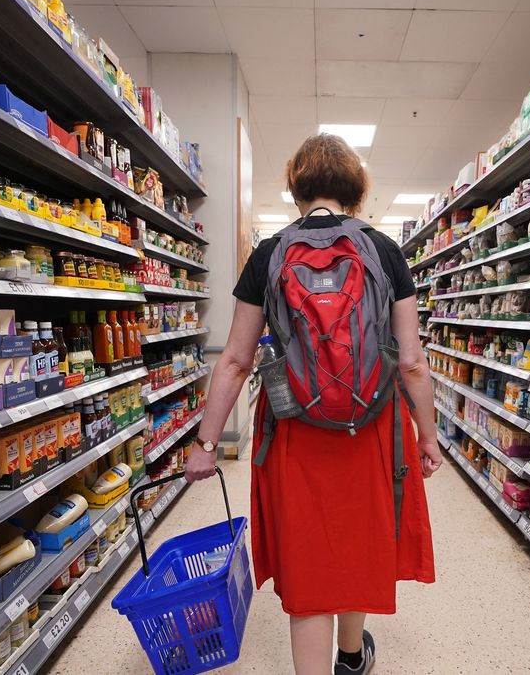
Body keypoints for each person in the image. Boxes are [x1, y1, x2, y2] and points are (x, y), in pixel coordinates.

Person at [185, 133, 441, 674]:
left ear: (296, 187)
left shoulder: (269, 254)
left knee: (311, 562)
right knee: (357, 544)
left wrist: (207, 443)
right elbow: (413, 361)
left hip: (294, 427)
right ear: (353, 188)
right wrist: (427, 435)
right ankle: (351, 658)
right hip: (371, 425)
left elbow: (234, 360)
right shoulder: (385, 252)